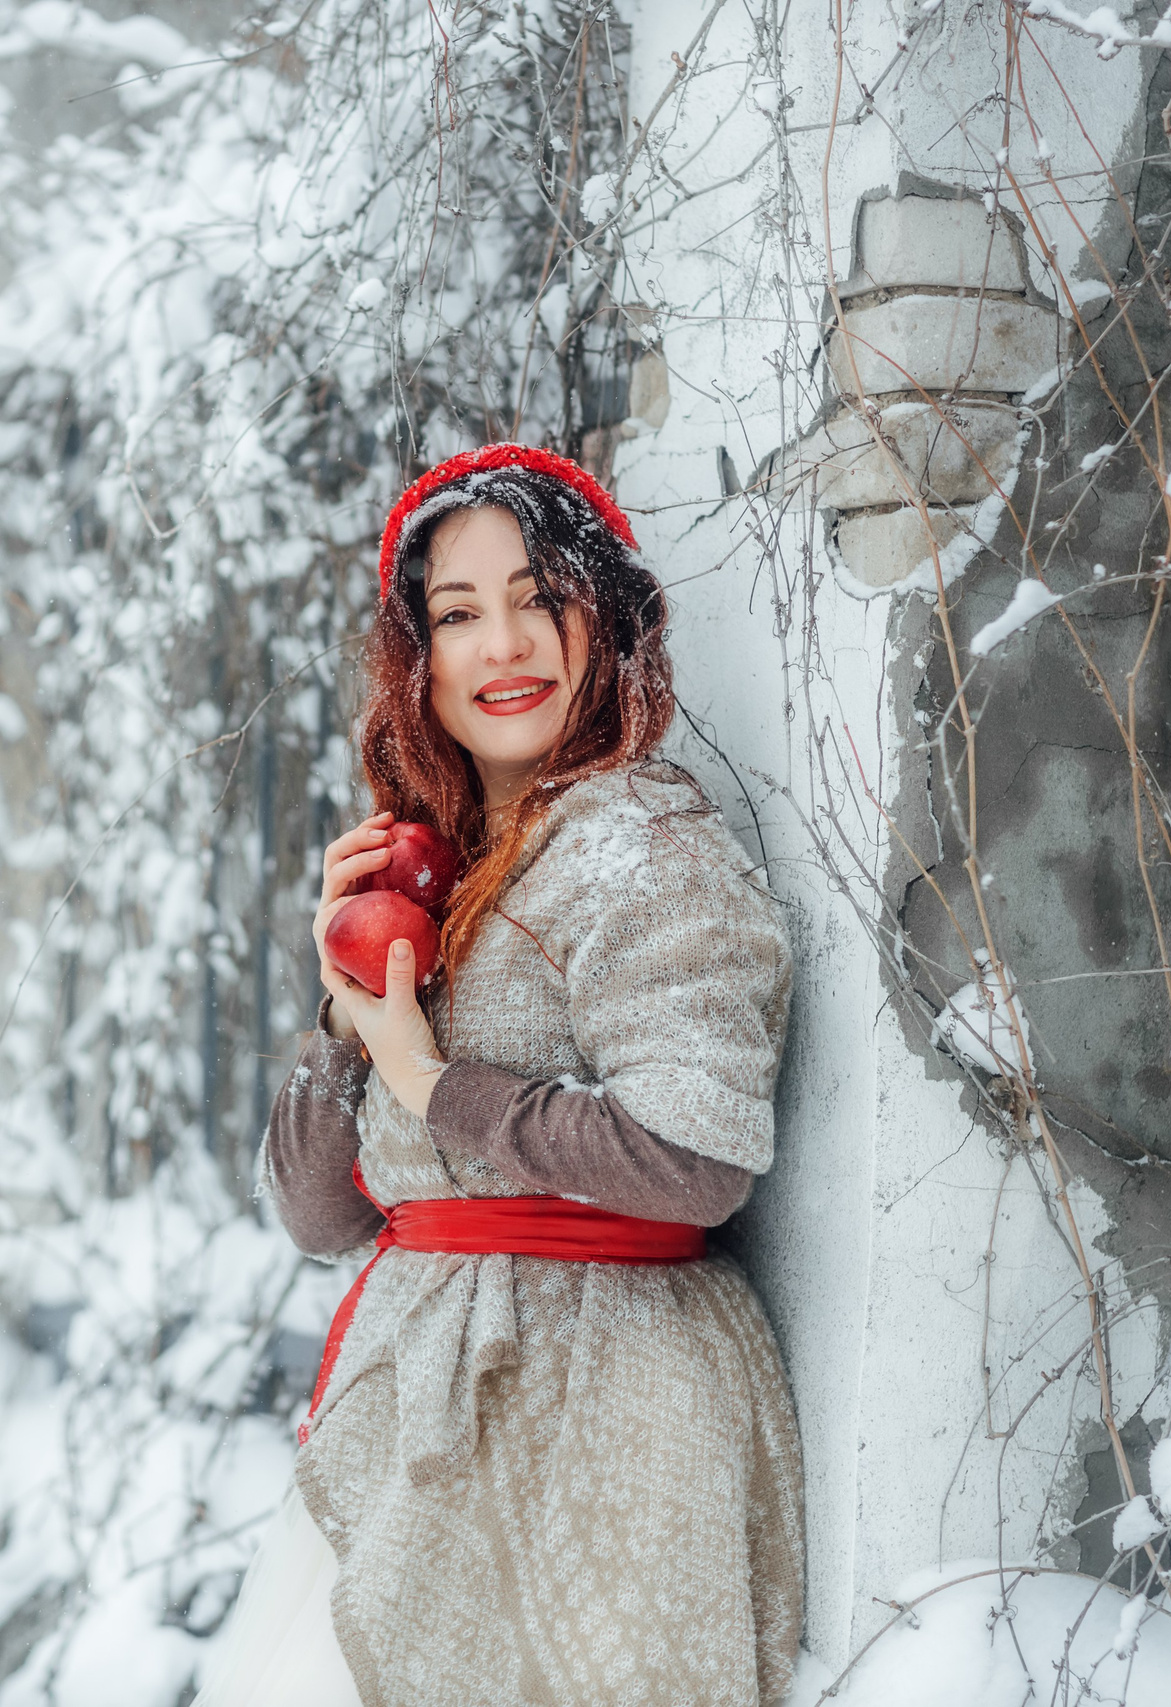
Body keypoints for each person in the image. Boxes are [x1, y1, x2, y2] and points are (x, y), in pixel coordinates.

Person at [192, 445, 803, 1707]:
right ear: (419, 662)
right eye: (458, 616)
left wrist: (435, 1085)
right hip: (427, 1398)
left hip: (602, 1401)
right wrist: (350, 1012)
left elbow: (695, 1162)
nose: (503, 644)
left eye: (538, 597)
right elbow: (318, 1216)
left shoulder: (648, 843)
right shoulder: (443, 865)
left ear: (605, 615)